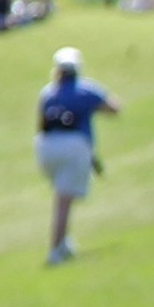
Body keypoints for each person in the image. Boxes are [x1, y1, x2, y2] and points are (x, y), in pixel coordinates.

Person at [33, 47, 118, 265]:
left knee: (63, 197)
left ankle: (64, 243)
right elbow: (113, 108)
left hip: (45, 148)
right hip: (74, 147)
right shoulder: (85, 90)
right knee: (63, 201)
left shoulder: (47, 93)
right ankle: (55, 250)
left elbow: (41, 123)